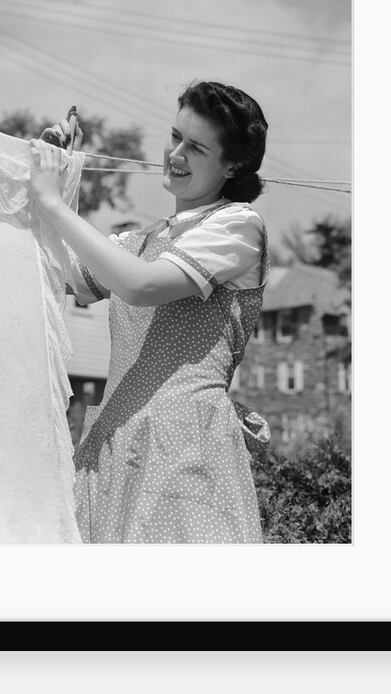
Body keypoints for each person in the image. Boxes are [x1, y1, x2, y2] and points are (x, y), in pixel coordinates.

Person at [29, 80, 270, 543]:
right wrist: (57, 175)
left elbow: (140, 286)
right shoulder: (141, 240)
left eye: (196, 147)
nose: (176, 154)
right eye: (176, 136)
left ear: (233, 165)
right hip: (116, 447)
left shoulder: (237, 226)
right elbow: (60, 272)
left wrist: (53, 202)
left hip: (184, 450)